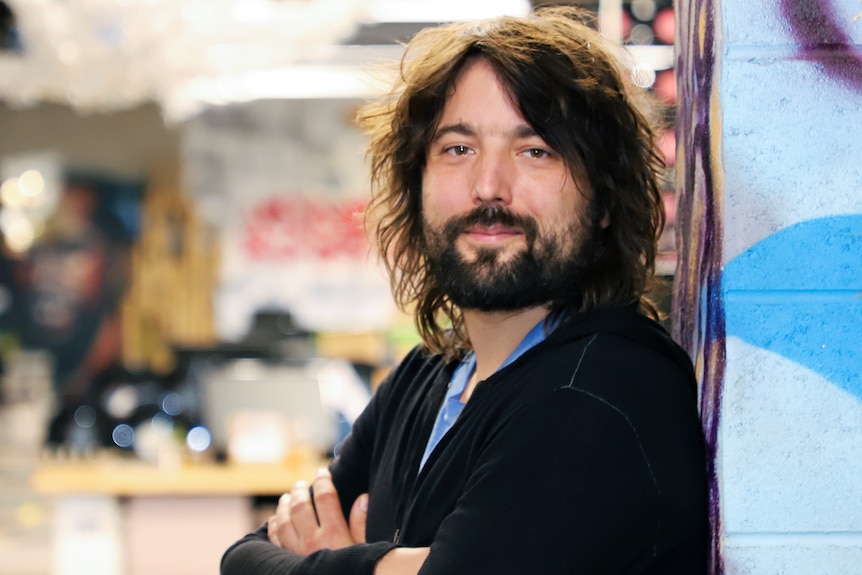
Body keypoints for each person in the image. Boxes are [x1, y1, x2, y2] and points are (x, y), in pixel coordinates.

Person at [221, 6, 709, 575]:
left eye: (535, 151)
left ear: (603, 199)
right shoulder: (426, 376)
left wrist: (336, 560)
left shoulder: (604, 392)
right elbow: (243, 558)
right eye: (458, 148)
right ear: (417, 182)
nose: (488, 186)